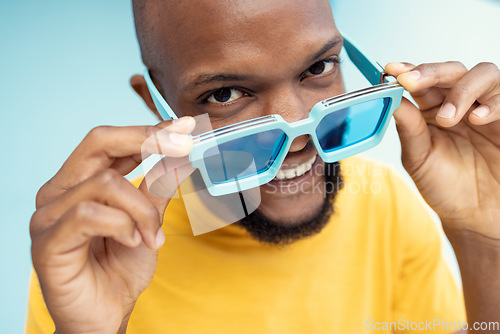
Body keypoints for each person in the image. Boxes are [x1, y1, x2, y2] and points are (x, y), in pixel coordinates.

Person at [26, 0, 500, 333]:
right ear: (158, 105)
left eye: (318, 68)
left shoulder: (389, 207)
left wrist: (482, 235)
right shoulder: (101, 246)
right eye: (226, 94)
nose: (299, 134)